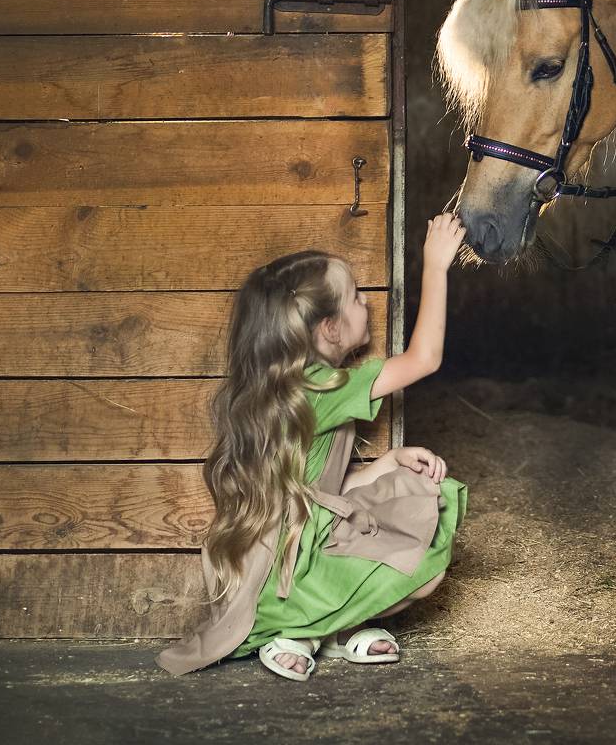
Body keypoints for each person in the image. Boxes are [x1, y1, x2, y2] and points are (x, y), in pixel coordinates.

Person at [157, 213, 469, 680]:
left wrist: (386, 462)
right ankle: (312, 628)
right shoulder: (326, 386)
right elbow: (424, 359)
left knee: (404, 491)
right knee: (423, 556)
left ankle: (323, 629)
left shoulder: (288, 388)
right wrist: (436, 264)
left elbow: (312, 485)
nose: (367, 303)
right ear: (330, 329)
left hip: (294, 547)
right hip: (292, 564)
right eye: (357, 297)